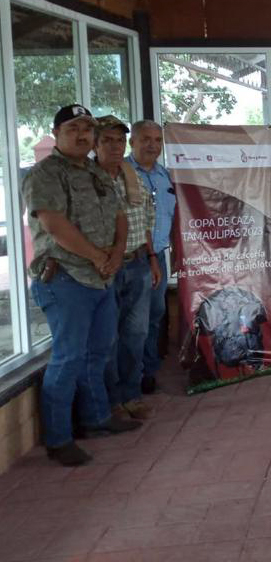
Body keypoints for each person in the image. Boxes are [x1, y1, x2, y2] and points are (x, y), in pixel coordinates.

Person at [23, 104, 142, 466]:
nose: (81, 135)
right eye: (73, 129)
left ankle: (97, 418)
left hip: (100, 277)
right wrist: (97, 257)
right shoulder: (45, 173)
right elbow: (54, 224)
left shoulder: (95, 171)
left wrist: (116, 253)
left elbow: (120, 215)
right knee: (68, 357)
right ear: (56, 134)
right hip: (66, 278)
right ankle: (59, 439)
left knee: (99, 352)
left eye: (87, 130)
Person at [96, 116, 160, 421]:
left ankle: (131, 395)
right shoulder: (88, 179)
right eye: (107, 140)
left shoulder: (131, 176)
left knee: (136, 334)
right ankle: (111, 403)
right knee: (108, 338)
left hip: (138, 263)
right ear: (95, 145)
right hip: (105, 268)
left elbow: (147, 220)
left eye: (119, 140)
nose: (115, 146)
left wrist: (152, 258)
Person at [128, 120, 172, 395]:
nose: (152, 145)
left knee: (155, 315)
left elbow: (170, 215)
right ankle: (132, 379)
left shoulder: (163, 175)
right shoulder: (122, 173)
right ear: (132, 142)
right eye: (145, 139)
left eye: (157, 140)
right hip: (134, 259)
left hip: (159, 257)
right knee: (135, 324)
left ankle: (149, 371)